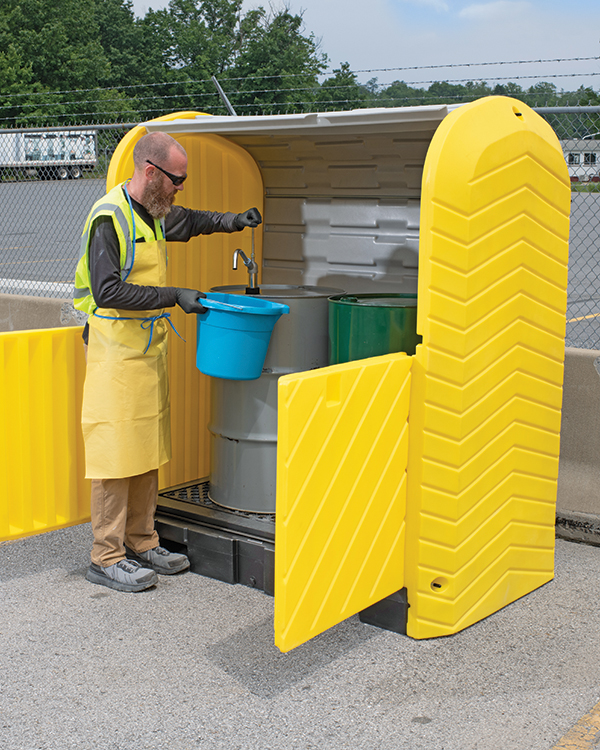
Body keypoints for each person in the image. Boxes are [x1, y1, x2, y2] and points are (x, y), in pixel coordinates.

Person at [73, 131, 261, 593]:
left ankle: (142, 541)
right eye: (177, 180)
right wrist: (175, 295)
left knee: (145, 448)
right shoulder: (109, 218)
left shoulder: (153, 213)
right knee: (116, 455)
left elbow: (191, 221)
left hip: (143, 351)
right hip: (114, 353)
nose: (180, 188)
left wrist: (234, 221)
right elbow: (107, 290)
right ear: (151, 172)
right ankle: (106, 556)